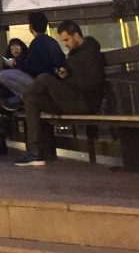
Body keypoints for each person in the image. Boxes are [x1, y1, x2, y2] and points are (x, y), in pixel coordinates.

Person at [14, 20, 106, 167]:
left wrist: (69, 79)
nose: (65, 44)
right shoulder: (73, 54)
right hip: (69, 100)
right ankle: (35, 152)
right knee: (32, 99)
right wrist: (64, 74)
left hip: (84, 102)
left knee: (44, 78)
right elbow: (73, 76)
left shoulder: (92, 54)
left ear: (76, 35)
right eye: (63, 40)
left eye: (67, 40)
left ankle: (18, 100)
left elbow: (93, 83)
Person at [0, 12, 65, 109]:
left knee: (4, 74)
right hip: (54, 83)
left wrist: (15, 63)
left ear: (31, 27)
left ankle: (24, 98)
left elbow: (32, 67)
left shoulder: (37, 43)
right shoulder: (52, 41)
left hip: (43, 84)